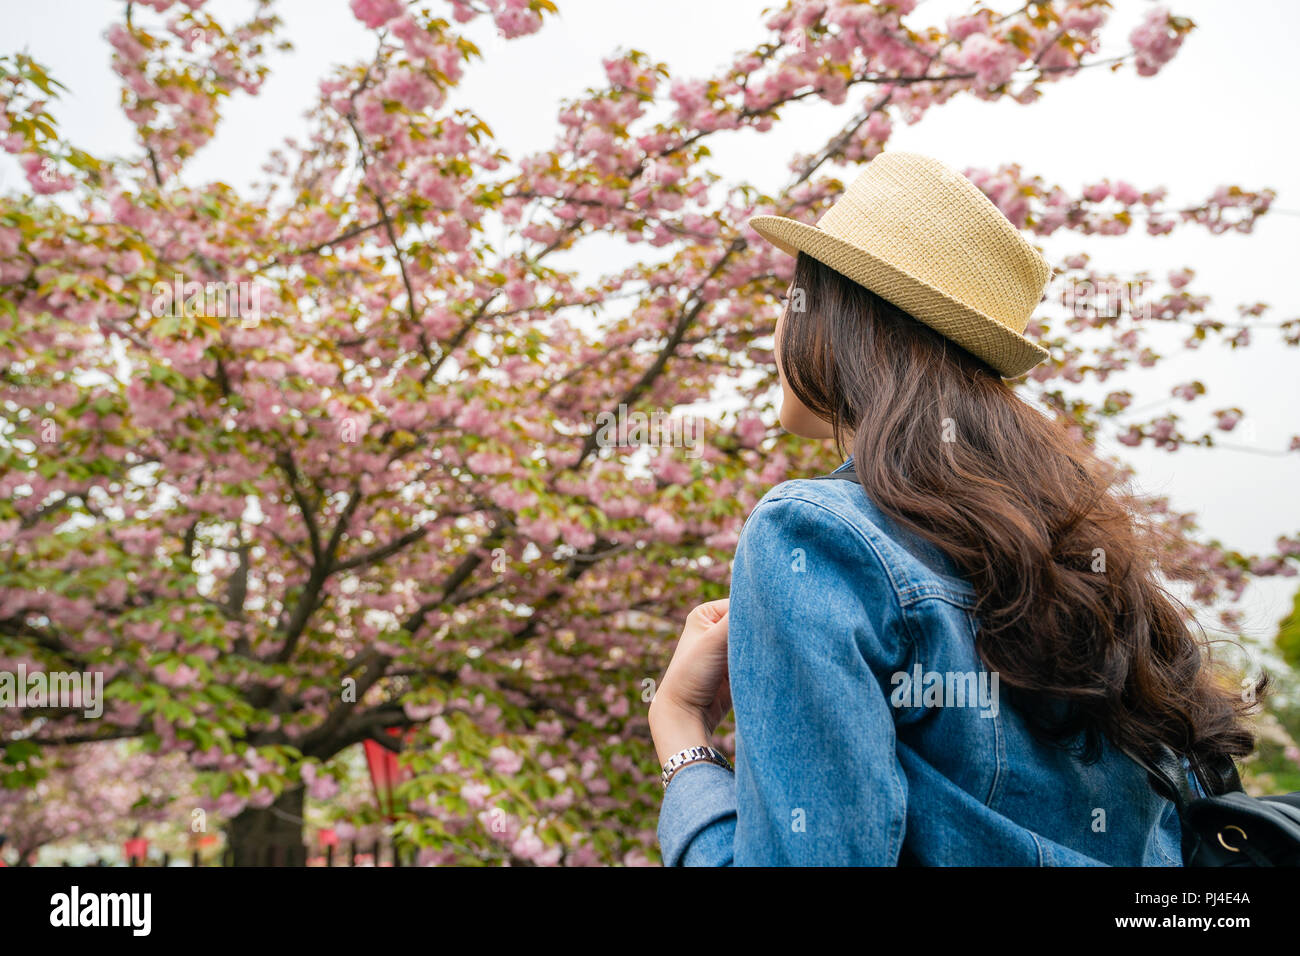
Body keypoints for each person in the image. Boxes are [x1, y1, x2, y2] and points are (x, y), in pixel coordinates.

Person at [648, 152, 1262, 866]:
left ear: (838, 323)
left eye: (794, 302)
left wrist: (682, 733)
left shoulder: (811, 533)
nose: (775, 334)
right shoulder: (1086, 562)